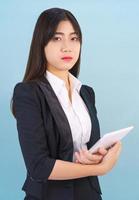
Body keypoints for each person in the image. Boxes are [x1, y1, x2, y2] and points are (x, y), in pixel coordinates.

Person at [11, 7, 122, 200]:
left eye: (74, 38)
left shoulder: (86, 92)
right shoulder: (28, 93)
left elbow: (89, 148)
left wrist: (112, 148)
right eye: (56, 38)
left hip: (89, 195)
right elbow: (39, 166)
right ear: (41, 43)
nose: (67, 47)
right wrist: (100, 168)